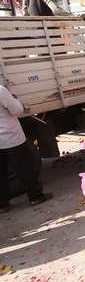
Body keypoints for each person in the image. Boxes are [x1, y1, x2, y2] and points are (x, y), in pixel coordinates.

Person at [0, 85, 52, 213]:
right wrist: (16, 99)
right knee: (25, 167)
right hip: (10, 137)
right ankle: (36, 196)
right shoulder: (0, 90)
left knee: (0, 172)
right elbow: (17, 110)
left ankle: (2, 205)